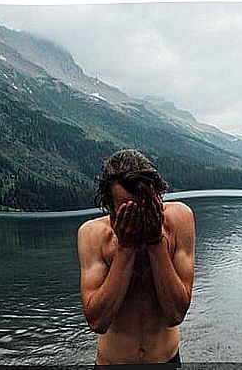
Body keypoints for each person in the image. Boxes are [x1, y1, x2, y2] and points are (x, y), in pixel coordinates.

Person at [77, 149, 196, 367]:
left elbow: (175, 315)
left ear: (157, 195)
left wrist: (155, 242)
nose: (138, 215)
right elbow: (98, 322)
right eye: (128, 209)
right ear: (110, 206)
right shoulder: (93, 235)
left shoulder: (179, 220)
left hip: (166, 360)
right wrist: (125, 248)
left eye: (144, 205)